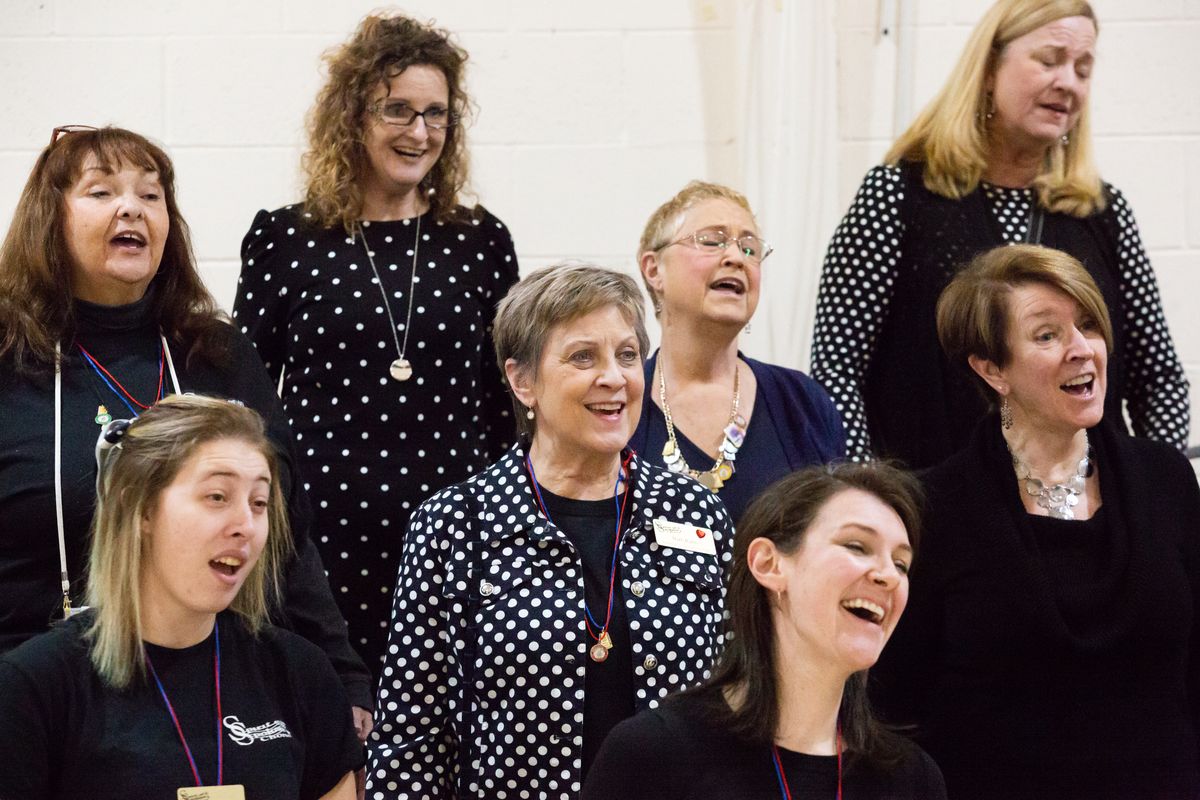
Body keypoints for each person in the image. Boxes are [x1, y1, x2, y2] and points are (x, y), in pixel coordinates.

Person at [0, 126, 374, 737]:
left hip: (215, 682)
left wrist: (340, 668)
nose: (132, 208)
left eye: (151, 196)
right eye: (102, 192)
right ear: (50, 219)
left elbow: (285, 533)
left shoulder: (218, 354)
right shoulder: (9, 358)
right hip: (38, 685)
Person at [367, 265, 734, 799]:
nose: (613, 377)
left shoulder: (697, 513)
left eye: (627, 355)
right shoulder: (454, 524)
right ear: (522, 381)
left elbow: (739, 700)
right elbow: (412, 740)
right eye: (583, 357)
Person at [233, 12, 520, 674]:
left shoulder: (481, 242)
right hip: (316, 536)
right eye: (398, 110)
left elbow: (506, 404)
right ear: (353, 117)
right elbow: (244, 400)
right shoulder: (285, 238)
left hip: (456, 536)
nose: (420, 132)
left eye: (436, 114)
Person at [872, 244, 1200, 798]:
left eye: (1089, 326)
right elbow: (898, 700)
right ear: (992, 369)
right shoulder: (933, 508)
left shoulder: (1164, 478)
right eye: (1047, 335)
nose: (1082, 350)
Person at [810, 0, 1189, 469]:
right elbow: (837, 368)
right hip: (932, 511)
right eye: (1049, 60)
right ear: (989, 68)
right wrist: (868, 496)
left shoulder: (1101, 212)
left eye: (1083, 69)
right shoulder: (897, 195)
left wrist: (1155, 490)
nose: (1068, 82)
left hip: (1088, 515)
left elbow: (1160, 378)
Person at [0, 395, 362, 798]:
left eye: (259, 503)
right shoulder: (34, 687)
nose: (245, 524)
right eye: (217, 497)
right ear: (139, 509)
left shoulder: (301, 673)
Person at [583, 462, 946, 799]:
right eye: (856, 546)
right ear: (768, 564)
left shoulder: (913, 779)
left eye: (901, 564)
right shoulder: (653, 754)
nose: (887, 576)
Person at [629, 181, 845, 523]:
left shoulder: (803, 404)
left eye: (749, 248)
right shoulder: (617, 404)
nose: (735, 258)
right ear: (654, 269)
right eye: (712, 241)